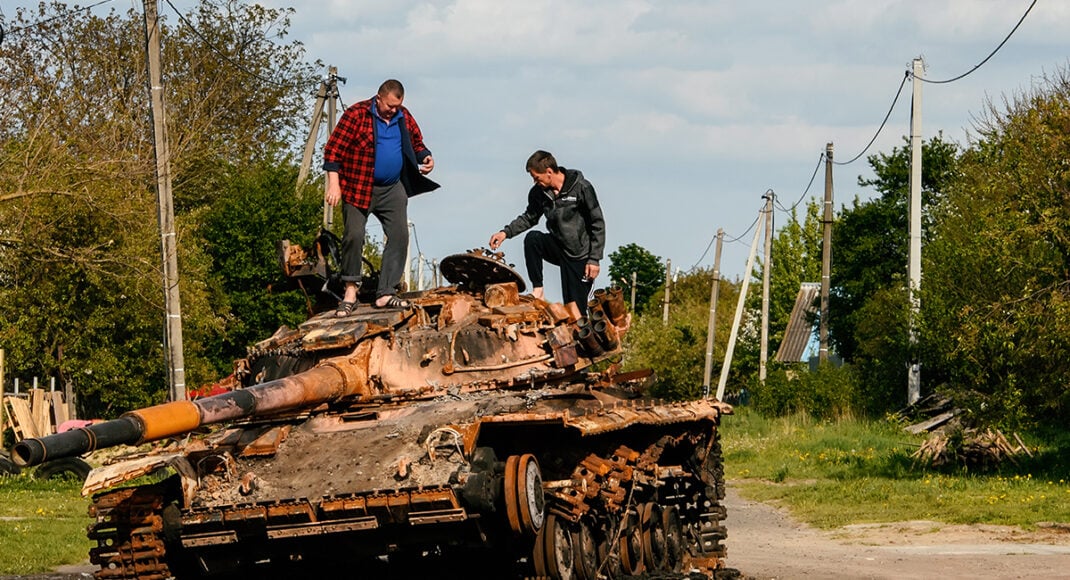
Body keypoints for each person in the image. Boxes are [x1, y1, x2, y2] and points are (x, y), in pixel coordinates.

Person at [323, 79, 438, 315]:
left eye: (397, 106)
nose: (393, 110)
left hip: (392, 187)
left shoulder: (402, 116)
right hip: (358, 186)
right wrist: (334, 185)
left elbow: (416, 142)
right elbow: (333, 150)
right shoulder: (356, 115)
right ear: (378, 98)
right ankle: (350, 290)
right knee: (353, 235)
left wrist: (426, 157)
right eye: (390, 106)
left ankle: (386, 292)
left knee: (399, 235)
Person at [489, 150, 605, 316]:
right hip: (557, 247)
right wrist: (505, 233)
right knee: (533, 239)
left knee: (576, 311)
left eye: (537, 177)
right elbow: (529, 217)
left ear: (549, 172)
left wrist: (594, 259)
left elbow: (597, 223)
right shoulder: (539, 193)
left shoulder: (581, 188)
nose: (535, 182)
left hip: (580, 256)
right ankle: (538, 289)